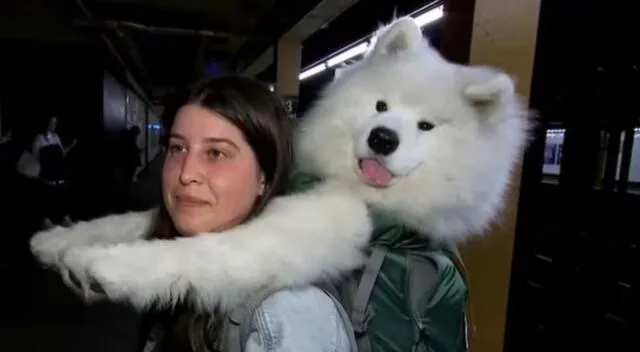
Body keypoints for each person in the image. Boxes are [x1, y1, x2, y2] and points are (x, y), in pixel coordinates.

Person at [73, 76, 350, 352]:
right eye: (177, 148)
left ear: (264, 176)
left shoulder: (289, 312)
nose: (186, 173)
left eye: (216, 153)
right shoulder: (177, 269)